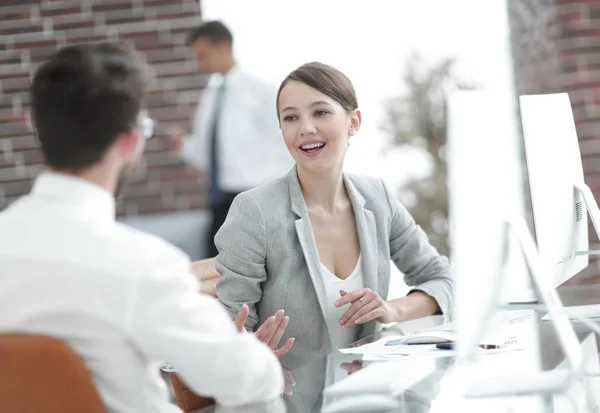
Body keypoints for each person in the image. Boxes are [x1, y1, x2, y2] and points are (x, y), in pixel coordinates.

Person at [0, 42, 285, 413]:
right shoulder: (144, 266)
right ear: (130, 141)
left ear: (39, 130)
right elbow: (248, 381)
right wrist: (244, 350)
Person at [215, 62, 455, 368]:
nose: (305, 128)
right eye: (290, 117)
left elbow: (441, 279)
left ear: (353, 122)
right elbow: (229, 330)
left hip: (366, 393)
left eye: (320, 112)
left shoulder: (377, 197)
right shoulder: (255, 211)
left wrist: (391, 310)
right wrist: (247, 351)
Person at [165, 20, 292, 258]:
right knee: (218, 270)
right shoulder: (210, 96)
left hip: (260, 199)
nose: (199, 64)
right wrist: (183, 145)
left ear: (223, 48)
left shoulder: (261, 91)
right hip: (223, 203)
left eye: (203, 55)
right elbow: (207, 156)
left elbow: (287, 143)